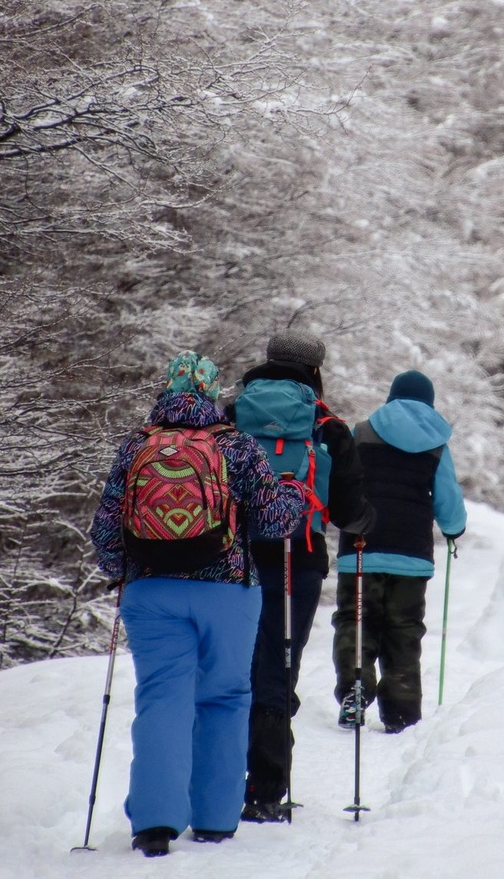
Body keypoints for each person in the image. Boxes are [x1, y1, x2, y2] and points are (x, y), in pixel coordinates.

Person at [89, 350, 304, 857]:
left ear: (164, 390)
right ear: (211, 393)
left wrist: (126, 569)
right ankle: (214, 818)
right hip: (228, 591)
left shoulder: (135, 447)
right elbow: (275, 522)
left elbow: (105, 532)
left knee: (163, 697)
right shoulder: (237, 445)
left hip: (151, 592)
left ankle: (156, 823)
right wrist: (292, 493)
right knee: (226, 697)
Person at [231, 330, 375, 824]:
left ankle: (219, 781)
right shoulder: (326, 425)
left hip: (230, 560)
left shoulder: (230, 417)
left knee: (234, 668)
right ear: (315, 371)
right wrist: (364, 523)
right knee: (278, 666)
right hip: (300, 558)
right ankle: (267, 790)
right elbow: (349, 512)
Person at [331, 369, 467, 734]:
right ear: (429, 402)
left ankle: (354, 687)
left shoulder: (360, 432)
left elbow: (342, 484)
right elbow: (448, 499)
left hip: (362, 547)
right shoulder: (437, 444)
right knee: (404, 631)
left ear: (391, 397)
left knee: (356, 621)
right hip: (412, 556)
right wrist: (454, 529)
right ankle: (403, 713)